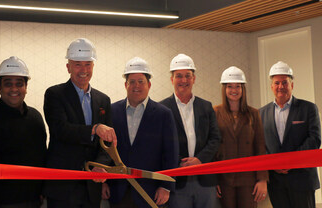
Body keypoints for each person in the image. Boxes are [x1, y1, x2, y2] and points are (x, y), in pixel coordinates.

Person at [43, 38, 117, 208]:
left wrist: (100, 166)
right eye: (78, 64)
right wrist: (94, 129)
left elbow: (107, 143)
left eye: (88, 64)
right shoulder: (55, 94)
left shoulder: (103, 100)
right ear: (68, 67)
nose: (83, 70)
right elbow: (60, 130)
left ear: (93, 67)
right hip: (63, 187)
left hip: (92, 186)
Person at [0, 56, 47, 208]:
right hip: (0, 203)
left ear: (26, 87)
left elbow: (41, 157)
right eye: (8, 84)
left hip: (34, 200)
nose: (14, 89)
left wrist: (42, 190)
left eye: (19, 84)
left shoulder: (35, 118)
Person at [102, 57, 179, 208]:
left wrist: (166, 186)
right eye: (132, 82)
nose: (136, 86)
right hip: (118, 190)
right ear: (125, 85)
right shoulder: (112, 111)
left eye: (141, 81)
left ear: (149, 84)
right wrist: (103, 182)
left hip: (150, 191)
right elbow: (104, 150)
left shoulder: (163, 114)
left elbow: (170, 153)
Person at [160, 53, 221, 208]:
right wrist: (183, 162)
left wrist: (199, 160)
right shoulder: (162, 109)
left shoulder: (206, 106)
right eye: (179, 76)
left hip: (205, 180)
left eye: (188, 75)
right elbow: (160, 144)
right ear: (171, 79)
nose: (184, 80)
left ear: (194, 79)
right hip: (177, 180)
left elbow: (215, 138)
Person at [259, 61, 321, 208]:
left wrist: (291, 161)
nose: (281, 87)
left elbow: (314, 139)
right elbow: (260, 144)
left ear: (292, 85)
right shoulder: (261, 113)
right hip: (276, 181)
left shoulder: (308, 108)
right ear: (271, 86)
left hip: (302, 179)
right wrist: (273, 163)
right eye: (277, 83)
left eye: (285, 82)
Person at [213, 66, 268, 208]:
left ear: (243, 89)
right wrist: (213, 180)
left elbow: (260, 148)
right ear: (224, 89)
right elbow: (212, 148)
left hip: (248, 180)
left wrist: (262, 179)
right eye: (230, 86)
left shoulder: (253, 113)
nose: (234, 90)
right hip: (224, 179)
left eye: (238, 86)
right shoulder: (214, 112)